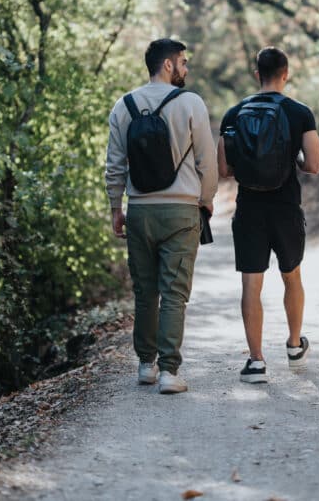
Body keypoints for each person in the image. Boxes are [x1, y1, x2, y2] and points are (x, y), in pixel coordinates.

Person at [105, 38, 218, 394]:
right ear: (167, 65)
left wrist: (115, 208)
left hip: (140, 211)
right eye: (182, 61)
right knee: (174, 293)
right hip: (182, 210)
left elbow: (114, 165)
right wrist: (207, 199)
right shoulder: (190, 103)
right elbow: (207, 160)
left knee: (145, 291)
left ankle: (145, 366)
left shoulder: (123, 106)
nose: (185, 68)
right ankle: (169, 371)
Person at [218, 47, 319, 384]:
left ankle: (256, 362)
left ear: (256, 74)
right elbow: (316, 164)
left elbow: (223, 169)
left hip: (249, 208)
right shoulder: (299, 112)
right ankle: (294, 346)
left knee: (251, 283)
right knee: (291, 275)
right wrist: (291, 163)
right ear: (286, 73)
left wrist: (251, 168)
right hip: (286, 207)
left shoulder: (234, 114)